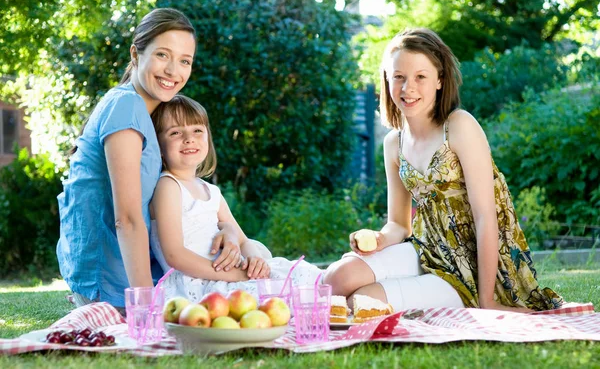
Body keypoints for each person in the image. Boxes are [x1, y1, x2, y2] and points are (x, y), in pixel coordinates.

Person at [323, 28, 563, 313]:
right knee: (334, 281)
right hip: (426, 249)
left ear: (440, 80)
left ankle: (464, 298)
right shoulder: (393, 144)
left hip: (470, 267)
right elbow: (399, 225)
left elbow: (486, 217)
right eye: (398, 77)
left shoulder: (459, 126)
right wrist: (378, 239)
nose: (407, 88)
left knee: (359, 303)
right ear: (387, 80)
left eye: (420, 77)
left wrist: (488, 301)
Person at [56, 8, 240, 311]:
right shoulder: (126, 107)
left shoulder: (151, 113)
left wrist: (230, 231)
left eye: (185, 61)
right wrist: (146, 308)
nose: (173, 71)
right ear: (135, 54)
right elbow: (126, 219)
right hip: (116, 286)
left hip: (142, 276)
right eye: (162, 55)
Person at [149, 95, 322, 302]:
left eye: (197, 130)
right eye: (175, 132)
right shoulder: (168, 186)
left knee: (300, 276)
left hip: (229, 273)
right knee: (276, 294)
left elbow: (243, 240)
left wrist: (253, 259)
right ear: (158, 146)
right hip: (198, 282)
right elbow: (175, 255)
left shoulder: (211, 191)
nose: (189, 138)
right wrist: (235, 276)